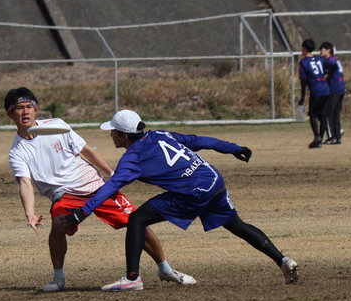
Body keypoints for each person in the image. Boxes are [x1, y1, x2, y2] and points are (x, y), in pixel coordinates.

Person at [61, 110, 299, 291]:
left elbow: (111, 186)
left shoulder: (132, 158)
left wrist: (82, 212)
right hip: (213, 180)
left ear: (124, 135)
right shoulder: (160, 134)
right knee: (237, 225)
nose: (111, 135)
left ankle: (132, 278)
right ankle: (283, 260)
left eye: (112, 131)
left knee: (136, 220)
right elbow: (197, 140)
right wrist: (233, 148)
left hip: (193, 192)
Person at [5, 87, 193, 292]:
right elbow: (25, 183)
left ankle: (165, 269)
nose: (25, 112)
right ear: (10, 114)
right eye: (20, 108)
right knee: (58, 224)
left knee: (136, 221)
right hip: (65, 194)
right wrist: (30, 214)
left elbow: (86, 150)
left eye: (29, 106)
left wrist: (111, 174)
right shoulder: (17, 152)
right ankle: (58, 279)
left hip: (94, 185)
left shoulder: (57, 125)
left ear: (36, 109)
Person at [297, 38, 330, 149]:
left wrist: (302, 97)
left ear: (304, 49)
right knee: (323, 115)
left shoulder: (303, 62)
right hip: (325, 89)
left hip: (315, 90)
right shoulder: (320, 59)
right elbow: (327, 71)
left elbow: (303, 80)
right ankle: (320, 138)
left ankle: (317, 137)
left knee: (312, 115)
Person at [320, 42, 344, 145]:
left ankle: (332, 137)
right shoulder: (335, 60)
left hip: (334, 89)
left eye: (322, 49)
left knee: (327, 113)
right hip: (340, 89)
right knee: (335, 114)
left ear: (328, 50)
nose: (320, 52)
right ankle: (337, 137)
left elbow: (325, 74)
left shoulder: (329, 61)